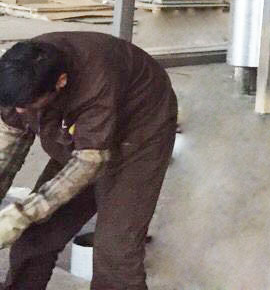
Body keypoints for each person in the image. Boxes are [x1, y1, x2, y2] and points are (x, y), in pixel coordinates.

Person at [0, 33, 178, 290]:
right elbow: (10, 140)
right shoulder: (18, 74)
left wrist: (24, 213)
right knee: (35, 237)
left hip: (138, 132)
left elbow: (88, 162)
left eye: (27, 104)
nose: (19, 111)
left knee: (115, 250)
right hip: (80, 134)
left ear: (61, 81)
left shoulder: (96, 83)